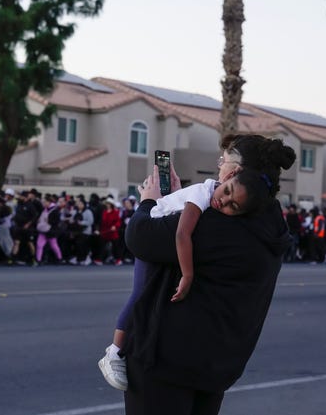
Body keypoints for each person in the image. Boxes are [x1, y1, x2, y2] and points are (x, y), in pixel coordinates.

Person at [119, 134, 295, 415]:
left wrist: (149, 203)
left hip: (168, 362)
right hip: (217, 362)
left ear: (238, 171)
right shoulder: (271, 223)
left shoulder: (216, 223)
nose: (220, 167)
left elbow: (139, 236)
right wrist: (177, 201)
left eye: (225, 161)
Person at [98, 142, 268, 391]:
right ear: (229, 177)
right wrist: (188, 274)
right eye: (228, 192)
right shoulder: (203, 194)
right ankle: (114, 353)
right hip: (152, 229)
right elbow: (181, 234)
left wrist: (174, 195)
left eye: (234, 206)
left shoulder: (209, 194)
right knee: (140, 293)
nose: (225, 202)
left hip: (159, 222)